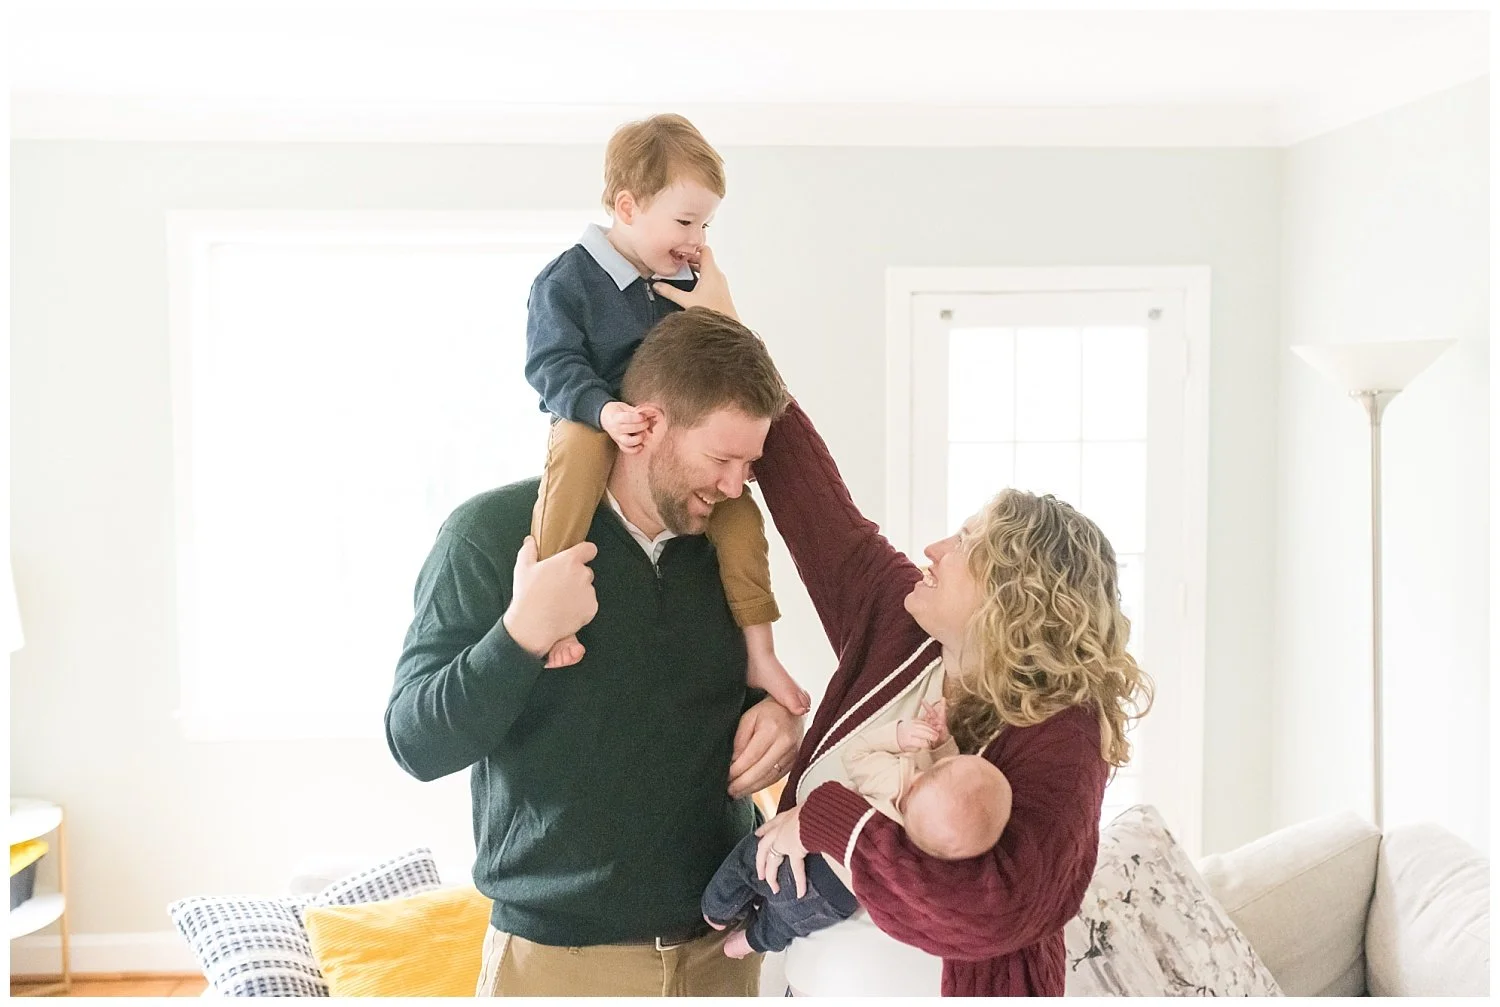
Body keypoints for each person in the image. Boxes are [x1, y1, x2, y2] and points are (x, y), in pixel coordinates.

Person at [651, 264, 1153, 997]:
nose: (936, 550)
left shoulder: (1063, 732)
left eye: (965, 542)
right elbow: (815, 503)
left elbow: (996, 908)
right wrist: (734, 334)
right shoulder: (901, 621)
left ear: (1011, 597)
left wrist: (833, 818)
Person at [385, 306, 804, 997]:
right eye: (721, 458)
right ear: (646, 425)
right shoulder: (489, 536)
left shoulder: (725, 549)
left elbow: (703, 690)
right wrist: (522, 632)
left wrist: (774, 718)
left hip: (719, 954)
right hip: (556, 964)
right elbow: (415, 742)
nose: (735, 485)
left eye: (748, 465)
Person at [521, 112, 809, 716]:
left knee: (741, 517)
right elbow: (550, 365)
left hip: (670, 432)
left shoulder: (690, 279)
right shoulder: (568, 280)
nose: (696, 237)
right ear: (627, 208)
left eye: (705, 223)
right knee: (574, 453)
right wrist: (603, 412)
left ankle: (760, 646)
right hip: (596, 415)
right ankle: (551, 610)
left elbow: (731, 372)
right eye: (684, 221)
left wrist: (722, 313)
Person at [701, 694, 1011, 961]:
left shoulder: (893, 782)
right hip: (839, 900)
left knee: (749, 861)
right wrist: (945, 748)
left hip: (807, 861)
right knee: (785, 922)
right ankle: (746, 943)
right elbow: (949, 796)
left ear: (920, 781)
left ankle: (715, 912)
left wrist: (900, 736)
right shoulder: (930, 853)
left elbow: (857, 752)